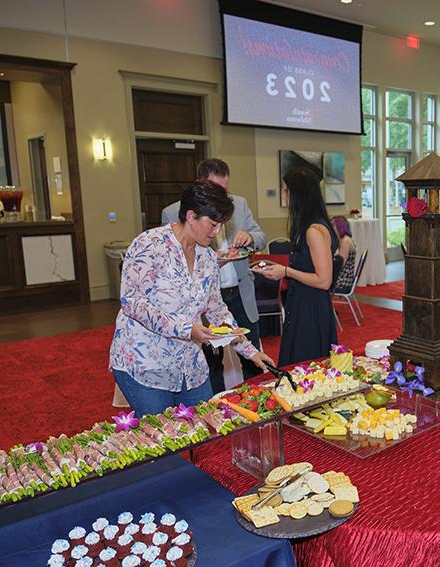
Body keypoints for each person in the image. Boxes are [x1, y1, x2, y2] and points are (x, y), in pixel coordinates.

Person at [110, 181, 274, 415]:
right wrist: (187, 329)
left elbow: (217, 310)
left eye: (220, 225)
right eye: (213, 224)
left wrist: (251, 351)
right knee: (162, 443)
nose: (217, 232)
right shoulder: (149, 245)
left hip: (191, 365)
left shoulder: (207, 257)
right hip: (145, 364)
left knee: (203, 433)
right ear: (191, 215)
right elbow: (132, 303)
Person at [162, 158, 267, 393]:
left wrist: (250, 239)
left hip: (237, 292)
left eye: (225, 190)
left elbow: (261, 236)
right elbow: (143, 300)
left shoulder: (239, 204)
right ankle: (216, 404)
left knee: (251, 362)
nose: (218, 229)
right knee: (210, 363)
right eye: (215, 189)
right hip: (194, 309)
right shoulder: (167, 220)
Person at [254, 167, 339, 366]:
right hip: (305, 303)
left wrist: (285, 271)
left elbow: (324, 280)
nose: (284, 195)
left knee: (306, 366)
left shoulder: (313, 231)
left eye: (286, 191)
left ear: (298, 194)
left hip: (310, 308)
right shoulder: (311, 226)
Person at [331, 216, 357, 290]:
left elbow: (340, 265)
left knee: (317, 283)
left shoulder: (345, 241)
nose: (331, 228)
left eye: (332, 225)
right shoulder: (343, 239)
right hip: (344, 277)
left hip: (343, 281)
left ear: (340, 226)